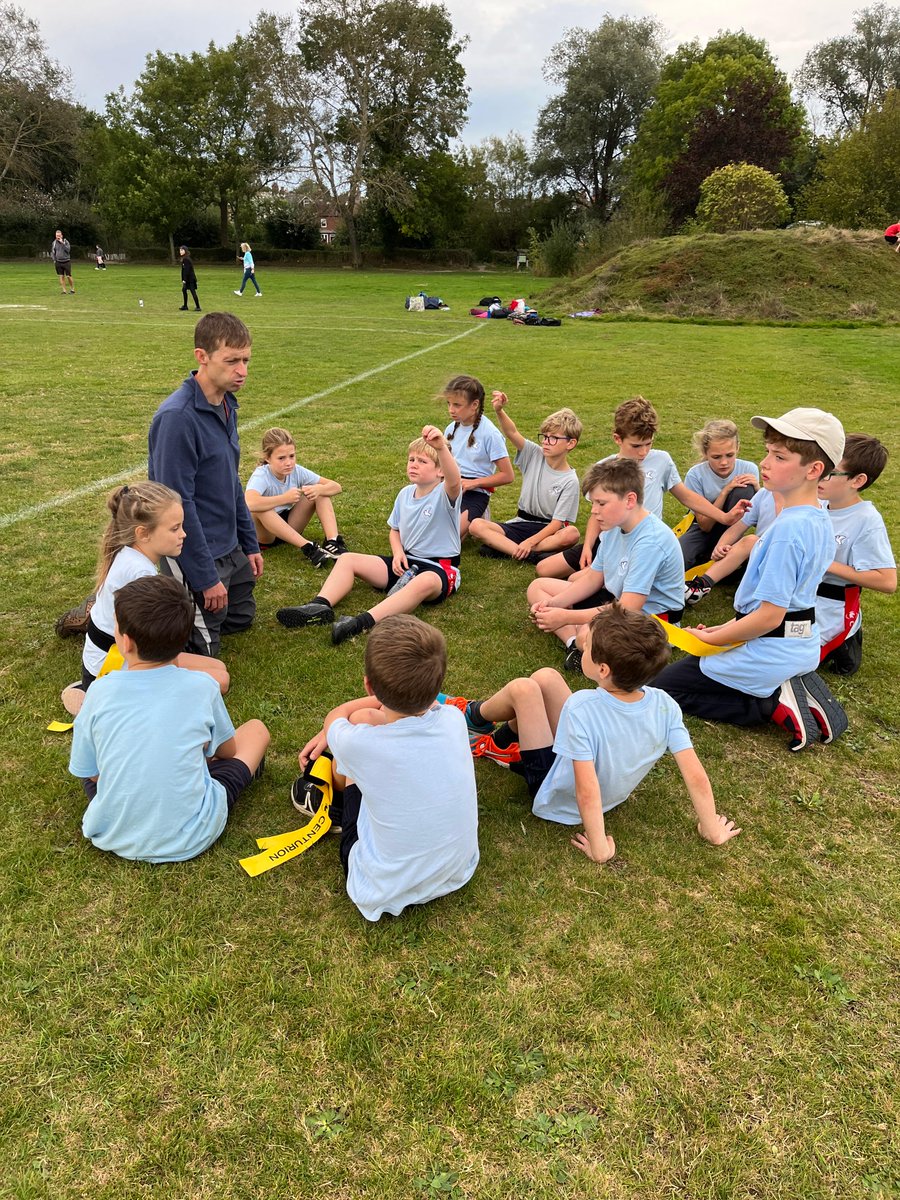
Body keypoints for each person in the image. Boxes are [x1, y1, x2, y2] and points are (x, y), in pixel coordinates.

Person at [440, 604, 740, 863]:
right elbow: (695, 774)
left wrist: (599, 846)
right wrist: (711, 828)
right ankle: (495, 735)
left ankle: (476, 720)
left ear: (603, 669)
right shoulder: (665, 704)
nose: (581, 646)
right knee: (545, 677)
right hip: (607, 792)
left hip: (554, 794)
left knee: (524, 689)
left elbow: (585, 787)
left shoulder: (582, 707)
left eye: (587, 647)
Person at [654, 408, 849, 752]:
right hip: (796, 641)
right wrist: (717, 631)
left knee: (661, 688)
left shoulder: (788, 531)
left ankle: (771, 702)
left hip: (771, 649)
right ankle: (786, 683)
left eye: (779, 456)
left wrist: (711, 641)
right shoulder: (817, 517)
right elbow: (776, 608)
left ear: (813, 470)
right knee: (684, 671)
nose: (765, 463)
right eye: (768, 453)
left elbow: (769, 617)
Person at [69, 575, 269, 863]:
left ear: (125, 642)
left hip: (112, 830)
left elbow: (90, 772)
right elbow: (229, 752)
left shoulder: (100, 690)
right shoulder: (202, 687)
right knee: (257, 730)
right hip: (194, 833)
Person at [294, 615, 479, 921]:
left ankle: (334, 805)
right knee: (368, 722)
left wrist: (332, 730)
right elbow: (407, 708)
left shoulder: (361, 743)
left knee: (358, 725)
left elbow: (336, 718)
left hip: (383, 885)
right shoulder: (454, 719)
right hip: (458, 869)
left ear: (369, 685)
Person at [276, 426, 461, 644]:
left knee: (424, 582)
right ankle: (319, 606)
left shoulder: (445, 493)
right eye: (411, 459)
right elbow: (395, 530)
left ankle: (360, 623)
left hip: (439, 567)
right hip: (403, 562)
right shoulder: (404, 494)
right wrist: (398, 551)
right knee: (347, 559)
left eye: (422, 461)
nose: (414, 465)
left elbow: (454, 480)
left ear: (440, 471)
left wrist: (440, 448)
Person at [148, 312, 263, 657]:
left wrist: (250, 543)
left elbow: (231, 479)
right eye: (231, 361)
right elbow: (176, 508)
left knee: (240, 619)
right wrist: (203, 578)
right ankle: (117, 615)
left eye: (245, 360)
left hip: (229, 545)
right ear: (202, 357)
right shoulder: (177, 419)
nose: (242, 370)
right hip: (192, 549)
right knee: (203, 651)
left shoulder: (227, 403)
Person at [60, 482, 229, 716]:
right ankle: (96, 699)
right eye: (174, 528)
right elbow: (147, 647)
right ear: (143, 533)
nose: (184, 534)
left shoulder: (130, 553)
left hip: (121, 653)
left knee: (219, 668)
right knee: (219, 681)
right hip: (113, 665)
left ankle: (95, 692)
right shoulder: (141, 574)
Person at [536, 396, 749, 580]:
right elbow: (596, 514)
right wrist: (589, 547)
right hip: (608, 542)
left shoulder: (662, 460)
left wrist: (724, 517)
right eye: (636, 446)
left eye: (649, 443)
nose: (643, 452)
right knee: (544, 569)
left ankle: (593, 583)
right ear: (617, 439)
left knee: (576, 579)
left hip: (640, 547)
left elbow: (686, 496)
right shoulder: (604, 468)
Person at [527, 458, 685, 673]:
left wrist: (565, 616)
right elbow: (593, 577)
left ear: (630, 500)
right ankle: (573, 643)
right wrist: (554, 605)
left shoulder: (650, 542)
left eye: (601, 503)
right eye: (593, 503)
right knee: (538, 589)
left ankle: (578, 639)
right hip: (617, 603)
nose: (594, 511)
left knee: (588, 634)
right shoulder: (613, 527)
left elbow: (629, 607)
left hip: (650, 622)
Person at [815, 433, 896, 676]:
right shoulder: (817, 503)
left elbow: (887, 581)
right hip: (801, 594)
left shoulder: (866, 520)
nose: (820, 475)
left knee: (788, 659)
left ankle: (846, 641)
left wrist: (826, 563)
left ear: (857, 480)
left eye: (831, 471)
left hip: (834, 604)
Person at [468, 393, 582, 563]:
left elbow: (556, 524)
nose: (545, 442)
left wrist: (530, 541)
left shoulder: (570, 480)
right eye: (544, 436)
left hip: (547, 529)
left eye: (553, 438)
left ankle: (508, 548)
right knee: (476, 525)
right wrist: (499, 410)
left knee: (571, 534)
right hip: (520, 522)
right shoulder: (535, 454)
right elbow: (512, 432)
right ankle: (529, 554)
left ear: (570, 443)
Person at [245, 427, 346, 566]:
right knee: (261, 508)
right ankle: (309, 548)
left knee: (321, 493)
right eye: (281, 458)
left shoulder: (296, 470)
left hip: (289, 527)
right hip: (265, 535)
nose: (288, 462)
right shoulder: (261, 475)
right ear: (267, 458)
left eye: (291, 456)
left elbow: (336, 486)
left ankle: (333, 542)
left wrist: (318, 489)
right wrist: (284, 499)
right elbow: (249, 503)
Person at [679, 419, 759, 568]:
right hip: (702, 529)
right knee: (677, 560)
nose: (724, 462)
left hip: (732, 532)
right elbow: (704, 525)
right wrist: (725, 491)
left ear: (738, 448)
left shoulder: (749, 469)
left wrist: (758, 490)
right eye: (716, 457)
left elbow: (759, 514)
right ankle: (713, 557)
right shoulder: (695, 475)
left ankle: (723, 555)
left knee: (745, 488)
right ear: (705, 452)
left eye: (729, 455)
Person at [441, 375, 514, 537]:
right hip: (449, 487)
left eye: (457, 405)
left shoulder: (490, 434)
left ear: (474, 405)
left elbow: (508, 475)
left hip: (475, 494)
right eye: (449, 404)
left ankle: (478, 517)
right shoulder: (450, 429)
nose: (451, 410)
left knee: (448, 537)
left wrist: (473, 483)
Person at [683, 487, 781, 605]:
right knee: (750, 541)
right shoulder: (764, 493)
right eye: (764, 466)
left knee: (753, 541)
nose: (764, 468)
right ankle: (700, 586)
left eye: (773, 466)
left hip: (786, 561)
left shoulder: (805, 502)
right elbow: (737, 527)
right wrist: (720, 546)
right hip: (760, 558)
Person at [51, 229, 74, 294]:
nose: (58, 237)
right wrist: (54, 260)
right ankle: (64, 290)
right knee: (61, 276)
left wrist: (62, 243)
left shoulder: (66, 241)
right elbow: (53, 252)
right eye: (56, 235)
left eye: (59, 235)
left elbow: (68, 250)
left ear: (62, 235)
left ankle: (72, 289)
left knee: (68, 276)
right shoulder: (54, 243)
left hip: (66, 261)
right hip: (58, 262)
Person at [179, 246, 201, 311]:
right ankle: (185, 306)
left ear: (185, 251)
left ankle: (198, 307)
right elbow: (183, 270)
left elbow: (187, 271)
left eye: (182, 250)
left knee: (193, 292)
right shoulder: (184, 259)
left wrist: (184, 280)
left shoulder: (186, 259)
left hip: (190, 279)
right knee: (184, 290)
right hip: (187, 279)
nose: (180, 251)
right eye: (180, 250)